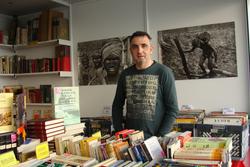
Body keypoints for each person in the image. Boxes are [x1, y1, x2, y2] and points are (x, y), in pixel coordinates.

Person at [112, 31, 179, 139]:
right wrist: (119, 132)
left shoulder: (164, 72)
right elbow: (117, 106)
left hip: (156, 140)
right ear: (130, 51)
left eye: (144, 46)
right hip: (130, 140)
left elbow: (173, 110)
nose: (140, 51)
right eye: (135, 47)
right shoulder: (125, 74)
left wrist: (159, 137)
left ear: (151, 49)